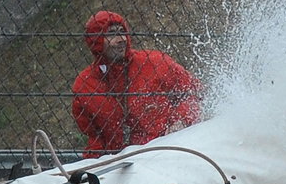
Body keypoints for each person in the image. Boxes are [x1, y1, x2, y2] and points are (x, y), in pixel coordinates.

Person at [71, 10, 202, 158]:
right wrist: (93, 164)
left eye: (122, 32)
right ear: (96, 41)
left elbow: (195, 92)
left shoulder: (155, 62)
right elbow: (95, 137)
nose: (121, 39)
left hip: (167, 149)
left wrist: (181, 121)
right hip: (118, 160)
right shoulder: (85, 85)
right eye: (112, 34)